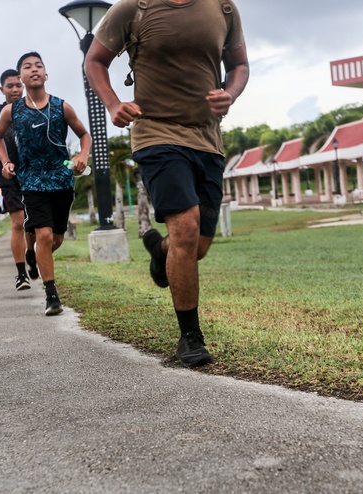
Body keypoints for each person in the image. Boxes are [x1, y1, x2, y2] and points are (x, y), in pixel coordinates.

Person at [85, 0, 249, 367]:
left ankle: (160, 252)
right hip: (155, 134)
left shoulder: (222, 8)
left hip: (207, 139)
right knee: (186, 229)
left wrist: (231, 94)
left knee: (197, 246)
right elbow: (94, 60)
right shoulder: (134, 8)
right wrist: (113, 104)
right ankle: (190, 336)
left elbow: (238, 65)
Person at [0, 51, 91, 316]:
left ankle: (34, 254)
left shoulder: (62, 107)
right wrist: (5, 162)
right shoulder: (12, 111)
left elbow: (84, 134)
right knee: (44, 235)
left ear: (46, 74)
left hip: (61, 179)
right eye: (27, 66)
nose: (33, 69)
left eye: (38, 66)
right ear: (21, 77)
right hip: (32, 179)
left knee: (55, 238)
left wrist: (82, 155)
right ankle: (51, 295)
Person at [0, 68, 39, 290]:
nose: (15, 89)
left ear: (23, 85)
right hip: (7, 174)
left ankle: (31, 252)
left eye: (18, 85)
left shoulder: (34, 108)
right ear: (1, 89)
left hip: (33, 172)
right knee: (17, 223)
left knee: (32, 224)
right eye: (10, 86)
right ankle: (21, 274)